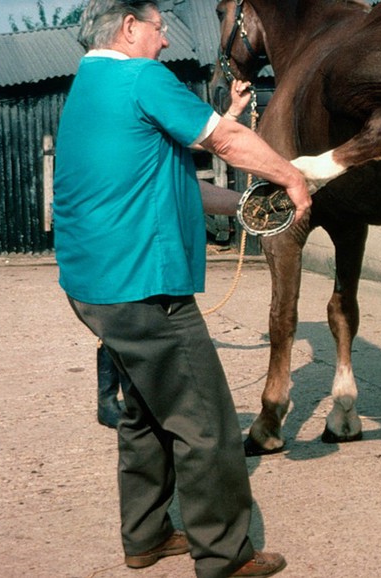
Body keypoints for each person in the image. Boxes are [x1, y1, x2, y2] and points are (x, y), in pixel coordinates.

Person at [53, 1, 310, 576]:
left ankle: (145, 536)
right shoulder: (141, 76)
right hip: (143, 287)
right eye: (160, 29)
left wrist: (247, 206)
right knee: (207, 422)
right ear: (129, 28)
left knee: (146, 412)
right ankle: (224, 556)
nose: (166, 42)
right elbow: (226, 143)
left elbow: (171, 185)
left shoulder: (91, 85)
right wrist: (290, 176)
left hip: (95, 286)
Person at [94, 82, 257, 431]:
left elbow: (199, 137)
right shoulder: (124, 120)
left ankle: (129, 401)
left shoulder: (155, 130)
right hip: (121, 230)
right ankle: (110, 399)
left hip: (141, 235)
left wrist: (231, 114)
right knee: (124, 318)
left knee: (138, 319)